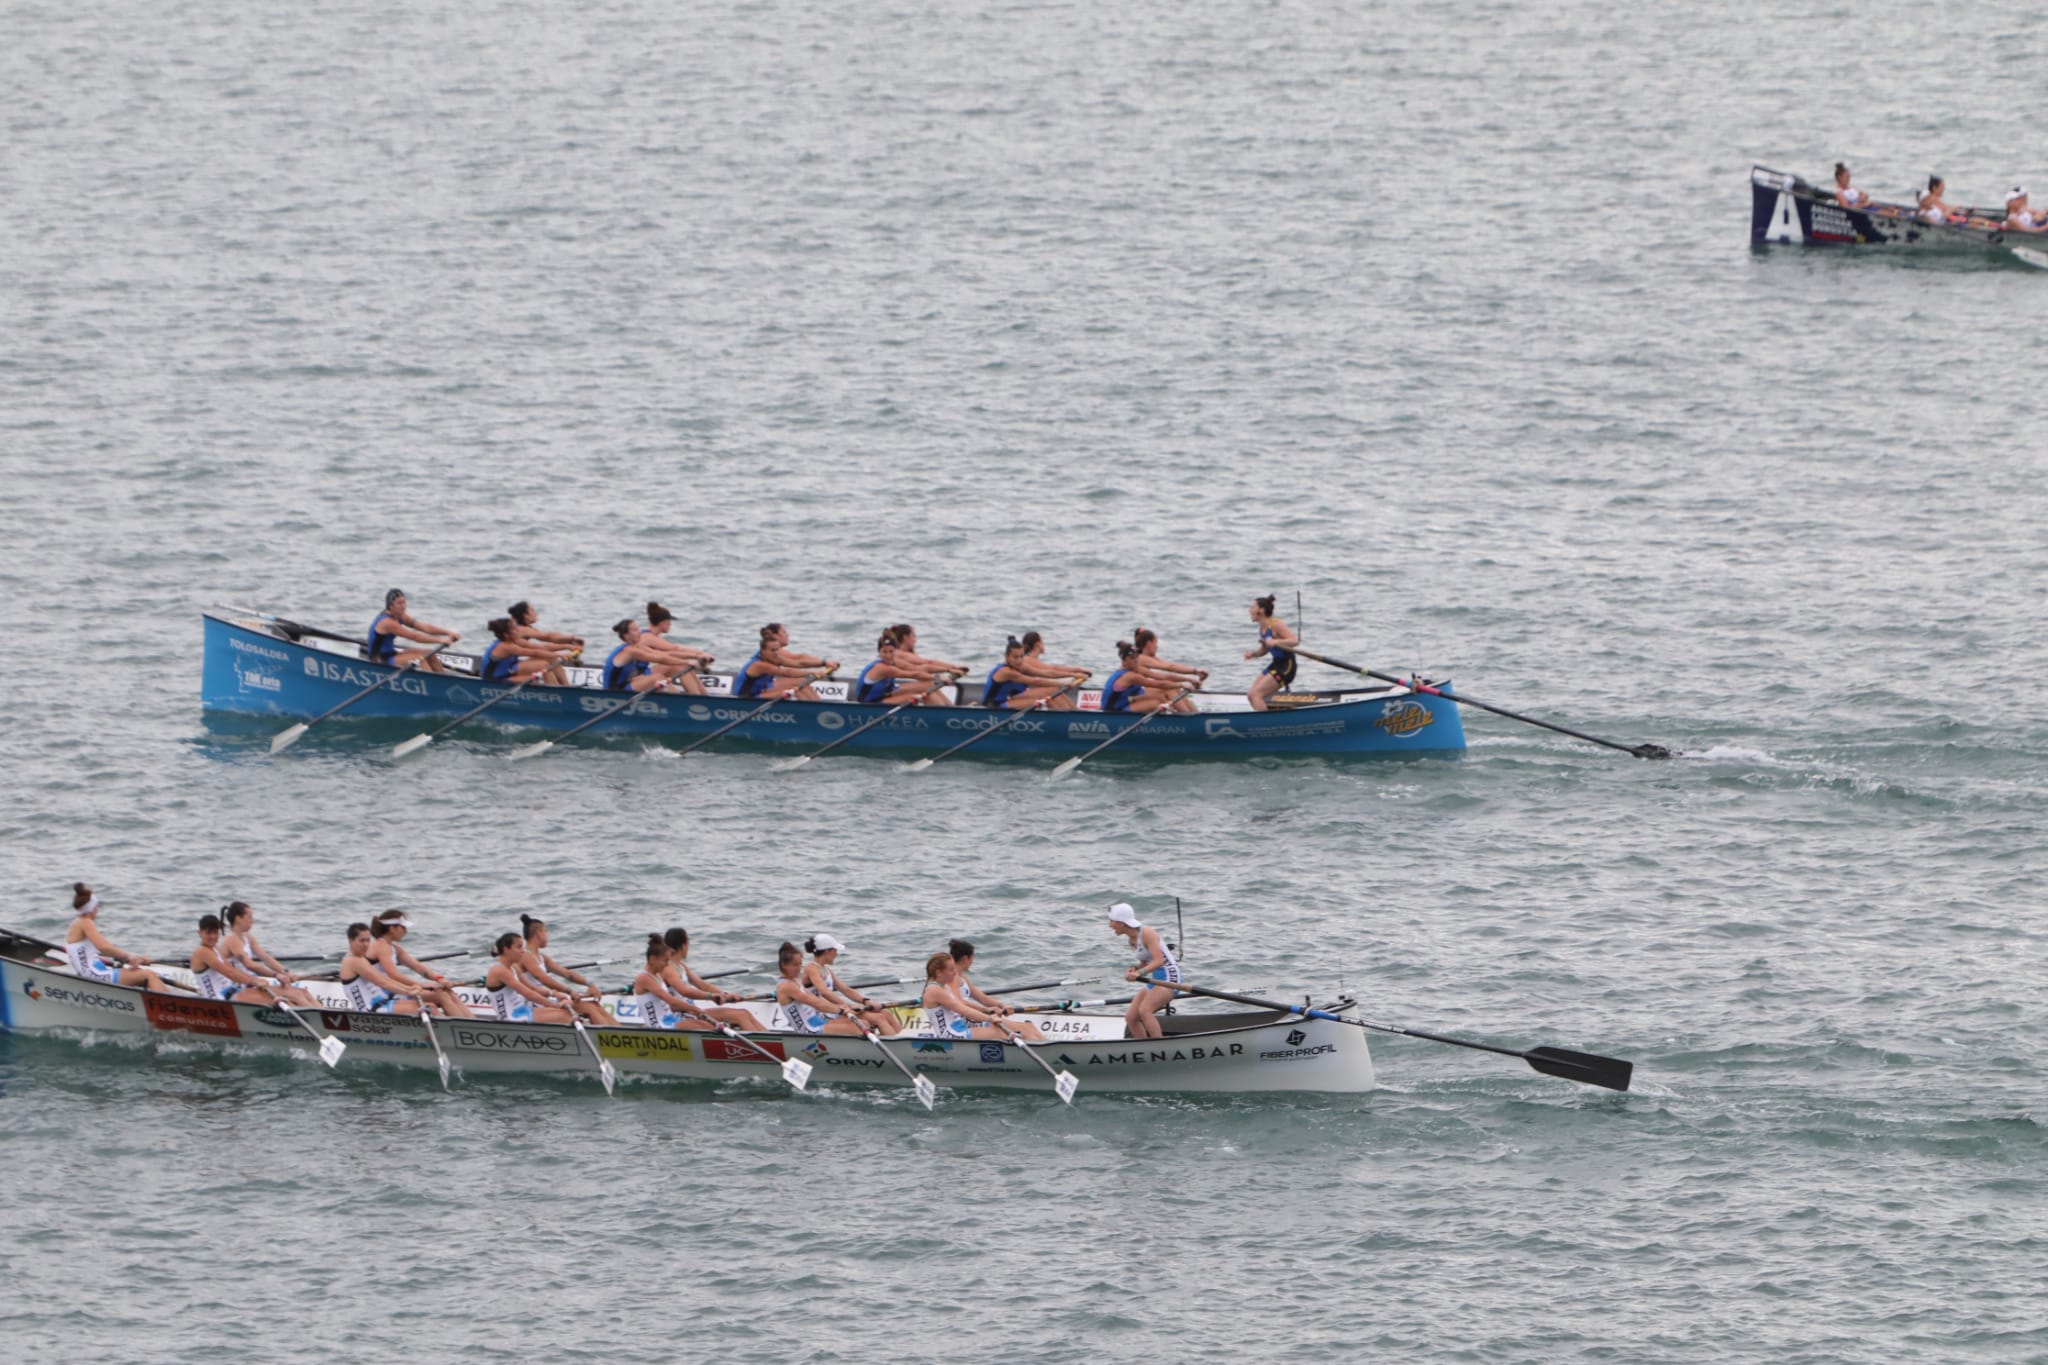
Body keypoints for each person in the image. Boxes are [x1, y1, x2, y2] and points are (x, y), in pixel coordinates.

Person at [367, 911, 476, 1019]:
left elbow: (419, 967)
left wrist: (440, 979)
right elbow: (393, 975)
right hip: (384, 994)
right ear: (392, 928)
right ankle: (461, 1028)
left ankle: (472, 1024)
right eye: (403, 928)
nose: (406, 931)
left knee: (448, 992)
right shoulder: (381, 946)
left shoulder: (395, 949)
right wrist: (420, 985)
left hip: (396, 989)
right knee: (441, 996)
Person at [59, 883, 167, 991]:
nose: (98, 910)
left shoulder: (77, 923)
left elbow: (99, 950)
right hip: (95, 974)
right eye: (96, 906)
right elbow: (103, 947)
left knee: (141, 972)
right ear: (92, 908)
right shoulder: (86, 922)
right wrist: (129, 957)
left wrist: (135, 958)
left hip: (94, 971)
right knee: (149, 975)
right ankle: (167, 1004)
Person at [920, 952, 1041, 1042]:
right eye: (951, 970)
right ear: (939, 972)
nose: (955, 973)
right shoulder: (934, 990)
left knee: (1026, 1027)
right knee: (998, 1031)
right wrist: (989, 1018)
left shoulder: (944, 986)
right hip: (950, 1034)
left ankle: (1043, 1043)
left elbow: (965, 1005)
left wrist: (989, 1011)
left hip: (962, 1025)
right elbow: (964, 1010)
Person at [218, 901, 318, 1006]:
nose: (252, 921)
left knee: (303, 992)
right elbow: (250, 965)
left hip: (254, 984)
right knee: (295, 996)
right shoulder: (231, 939)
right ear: (238, 918)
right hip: (237, 988)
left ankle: (325, 1016)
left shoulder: (247, 936)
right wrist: (275, 975)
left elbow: (266, 957)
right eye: (250, 917)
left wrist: (285, 972)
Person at [518, 914, 614, 1023]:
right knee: (588, 1008)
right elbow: (543, 978)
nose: (547, 936)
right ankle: (605, 1036)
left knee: (594, 1004)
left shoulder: (542, 957)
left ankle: (620, 1032)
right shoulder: (525, 955)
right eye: (546, 931)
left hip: (546, 997)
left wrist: (589, 984)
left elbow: (567, 974)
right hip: (534, 1002)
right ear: (539, 933)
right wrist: (570, 991)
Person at [660, 928, 760, 1030]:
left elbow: (701, 984)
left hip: (692, 1012)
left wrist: (724, 994)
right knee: (739, 1016)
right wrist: (711, 996)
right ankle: (762, 1043)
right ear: (683, 946)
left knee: (744, 1013)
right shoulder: (668, 969)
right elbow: (685, 991)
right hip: (679, 1016)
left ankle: (772, 1042)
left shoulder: (681, 966)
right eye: (688, 943)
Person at [1109, 902, 1181, 1040]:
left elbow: (1159, 961)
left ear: (1121, 923)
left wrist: (1139, 974)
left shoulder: (1147, 933)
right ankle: (1141, 1044)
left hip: (1169, 978)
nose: (1109, 925)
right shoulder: (1131, 940)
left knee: (1145, 1011)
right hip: (1155, 980)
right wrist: (1135, 968)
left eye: (1111, 921)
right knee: (1131, 1017)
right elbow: (1145, 961)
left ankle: (1159, 1046)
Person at [803, 934, 900, 1034]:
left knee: (885, 1013)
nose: (836, 954)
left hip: (833, 1010)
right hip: (820, 1013)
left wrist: (866, 1001)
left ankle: (903, 1041)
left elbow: (846, 990)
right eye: (835, 951)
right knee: (878, 1018)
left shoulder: (826, 970)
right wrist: (846, 1006)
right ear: (828, 951)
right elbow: (824, 992)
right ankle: (896, 1045)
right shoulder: (811, 967)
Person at [946, 940, 1044, 1038]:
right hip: (965, 1022)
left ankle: (1045, 1045)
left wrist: (1002, 1005)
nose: (972, 961)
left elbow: (982, 998)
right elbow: (959, 1002)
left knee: (1028, 1027)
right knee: (1020, 1031)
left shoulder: (963, 978)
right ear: (965, 958)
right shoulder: (952, 977)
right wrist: (987, 1010)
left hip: (972, 1019)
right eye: (972, 958)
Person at [484, 932, 583, 1024]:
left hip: (523, 1010)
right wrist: (555, 1005)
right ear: (506, 949)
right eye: (519, 947)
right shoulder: (499, 970)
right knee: (565, 1016)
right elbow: (528, 994)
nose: (523, 951)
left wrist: (553, 993)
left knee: (567, 1012)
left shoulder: (512, 968)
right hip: (511, 1018)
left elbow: (532, 989)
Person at [773, 941, 867, 1036]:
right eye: (795, 965)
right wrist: (841, 1010)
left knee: (863, 1023)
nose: (799, 968)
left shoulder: (795, 981)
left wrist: (844, 1007)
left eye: (800, 964)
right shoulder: (786, 985)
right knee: (858, 1027)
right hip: (807, 1030)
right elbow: (816, 1003)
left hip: (816, 1022)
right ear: (784, 965)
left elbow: (816, 999)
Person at [632, 935, 723, 1029]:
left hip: (671, 1019)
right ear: (653, 959)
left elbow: (670, 1005)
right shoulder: (644, 978)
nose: (668, 964)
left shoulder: (657, 975)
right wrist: (695, 1009)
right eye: (665, 961)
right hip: (659, 1026)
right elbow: (672, 1001)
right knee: (704, 1026)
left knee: (706, 1024)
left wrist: (691, 1010)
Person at [337, 922, 427, 1016]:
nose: (366, 944)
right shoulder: (353, 961)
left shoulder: (360, 958)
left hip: (379, 1002)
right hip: (370, 1010)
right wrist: (408, 991)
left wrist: (409, 987)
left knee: (430, 1006)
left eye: (368, 940)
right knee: (429, 1009)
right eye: (362, 941)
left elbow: (383, 978)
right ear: (350, 940)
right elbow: (382, 983)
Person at [734, 624, 838, 702]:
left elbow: (799, 663)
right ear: (762, 651)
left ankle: (820, 708)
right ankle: (815, 715)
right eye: (772, 650)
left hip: (763, 691)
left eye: (777, 650)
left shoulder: (775, 657)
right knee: (796, 689)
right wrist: (812, 673)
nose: (776, 654)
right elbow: (787, 672)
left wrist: (823, 663)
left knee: (800, 682)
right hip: (747, 698)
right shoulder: (759, 665)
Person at [365, 589, 459, 673]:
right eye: (399, 603)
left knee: (429, 654)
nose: (403, 606)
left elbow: (425, 627)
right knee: (419, 659)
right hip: (379, 660)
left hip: (391, 653)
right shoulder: (387, 622)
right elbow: (414, 636)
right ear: (390, 605)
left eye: (404, 602)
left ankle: (443, 679)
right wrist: (440, 640)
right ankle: (432, 684)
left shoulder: (400, 616)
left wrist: (448, 633)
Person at [855, 628, 956, 706]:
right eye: (884, 652)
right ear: (879, 653)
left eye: (891, 651)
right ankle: (946, 717)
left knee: (928, 685)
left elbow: (919, 669)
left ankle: (953, 710)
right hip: (871, 702)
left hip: (886, 693)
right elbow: (913, 674)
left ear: (896, 651)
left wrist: (948, 669)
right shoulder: (882, 668)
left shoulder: (894, 662)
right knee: (917, 696)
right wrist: (939, 678)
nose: (888, 655)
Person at [1101, 639, 1197, 716]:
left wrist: (1188, 680)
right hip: (1114, 710)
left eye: (1136, 657)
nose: (1135, 661)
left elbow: (1161, 677)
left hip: (1126, 701)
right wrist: (1182, 685)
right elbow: (1159, 684)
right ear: (1124, 660)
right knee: (1156, 702)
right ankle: (1187, 721)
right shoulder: (1130, 676)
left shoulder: (1136, 668)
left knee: (1169, 691)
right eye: (1132, 658)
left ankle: (1193, 714)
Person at [601, 619, 690, 694]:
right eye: (635, 630)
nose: (639, 632)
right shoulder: (629, 651)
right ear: (626, 635)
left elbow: (663, 654)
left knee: (678, 666)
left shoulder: (638, 646)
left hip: (630, 682)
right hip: (615, 690)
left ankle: (700, 697)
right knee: (657, 678)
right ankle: (679, 701)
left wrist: (693, 658)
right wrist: (688, 662)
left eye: (638, 628)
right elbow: (661, 659)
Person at [1243, 594, 1300, 712]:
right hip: (1276, 664)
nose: (1249, 610)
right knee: (1250, 695)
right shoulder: (1262, 628)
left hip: (1287, 667)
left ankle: (1263, 724)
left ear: (1261, 611)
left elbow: (1294, 641)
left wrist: (1275, 641)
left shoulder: (1276, 624)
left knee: (1256, 695)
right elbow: (1265, 649)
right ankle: (1267, 713)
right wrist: (1253, 654)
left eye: (1252, 607)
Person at [982, 637, 1072, 710]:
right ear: (1006, 657)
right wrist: (1064, 683)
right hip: (993, 707)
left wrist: (1074, 675)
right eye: (1015, 657)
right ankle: (1070, 722)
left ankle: (1077, 713)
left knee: (1052, 690)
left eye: (1021, 656)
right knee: (1045, 700)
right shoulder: (1006, 671)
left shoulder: (1019, 666)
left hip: (1007, 699)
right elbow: (1037, 682)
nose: (1019, 660)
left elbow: (1045, 673)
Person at [643, 602, 717, 692]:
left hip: (645, 673)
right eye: (669, 621)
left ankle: (703, 697)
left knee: (681, 665)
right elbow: (674, 649)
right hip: (639, 677)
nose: (670, 624)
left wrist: (698, 655)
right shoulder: (648, 637)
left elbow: (670, 653)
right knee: (680, 666)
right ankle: (698, 699)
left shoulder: (652, 637)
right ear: (662, 622)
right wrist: (699, 654)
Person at [479, 617, 573, 686]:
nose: (518, 631)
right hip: (495, 678)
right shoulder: (506, 646)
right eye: (514, 629)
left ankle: (566, 687)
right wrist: (562, 656)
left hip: (509, 669)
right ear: (506, 635)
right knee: (543, 665)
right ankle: (557, 693)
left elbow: (540, 647)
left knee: (550, 657)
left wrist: (567, 647)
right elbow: (534, 653)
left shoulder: (515, 640)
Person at [1010, 631, 1088, 708]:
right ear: (1038, 644)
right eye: (1042, 642)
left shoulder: (1029, 659)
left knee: (1052, 689)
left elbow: (1050, 671)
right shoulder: (1027, 659)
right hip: (1015, 695)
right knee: (1051, 690)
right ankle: (1071, 716)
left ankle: (1075, 713)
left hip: (1023, 691)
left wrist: (1076, 672)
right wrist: (1076, 672)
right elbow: (1051, 671)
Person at [505, 601, 583, 657]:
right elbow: (548, 637)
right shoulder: (521, 629)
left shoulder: (526, 628)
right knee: (549, 658)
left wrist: (570, 642)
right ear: (525, 615)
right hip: (504, 665)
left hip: (509, 662)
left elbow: (548, 641)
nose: (536, 613)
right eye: (532, 610)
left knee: (548, 657)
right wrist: (571, 640)